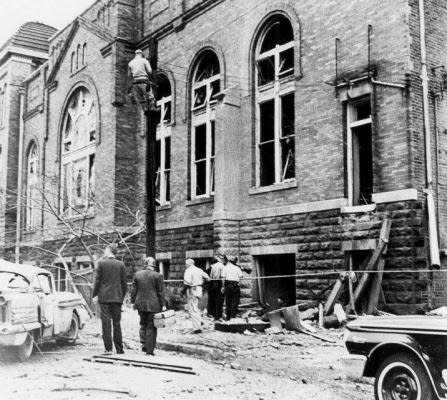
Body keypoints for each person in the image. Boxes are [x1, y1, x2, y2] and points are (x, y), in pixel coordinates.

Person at [92, 244, 127, 355]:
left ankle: (108, 348)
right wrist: (122, 296)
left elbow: (97, 281)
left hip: (105, 297)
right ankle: (119, 349)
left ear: (109, 251)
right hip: (117, 298)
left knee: (106, 323)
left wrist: (94, 295)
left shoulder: (101, 263)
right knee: (117, 323)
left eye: (106, 250)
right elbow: (124, 283)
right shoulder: (121, 264)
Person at [130, 256, 165, 356]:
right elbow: (160, 292)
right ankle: (150, 350)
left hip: (140, 304)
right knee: (151, 326)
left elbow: (133, 291)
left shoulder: (137, 275)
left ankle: (144, 344)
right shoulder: (158, 276)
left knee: (142, 324)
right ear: (154, 265)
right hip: (154, 305)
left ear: (145, 265)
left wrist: (133, 302)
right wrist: (163, 305)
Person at [183, 258, 210, 333]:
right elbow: (208, 278)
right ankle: (200, 321)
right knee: (197, 307)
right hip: (199, 288)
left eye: (186, 264)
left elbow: (187, 282)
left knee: (193, 308)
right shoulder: (199, 269)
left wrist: (183, 291)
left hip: (192, 289)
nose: (185, 265)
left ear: (189, 264)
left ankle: (197, 328)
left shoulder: (188, 270)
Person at [207, 255, 226, 321]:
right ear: (221, 259)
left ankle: (213, 314)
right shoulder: (222, 266)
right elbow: (223, 277)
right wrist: (223, 286)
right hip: (219, 283)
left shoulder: (213, 266)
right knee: (219, 300)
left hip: (213, 283)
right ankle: (218, 316)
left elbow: (210, 276)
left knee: (213, 299)